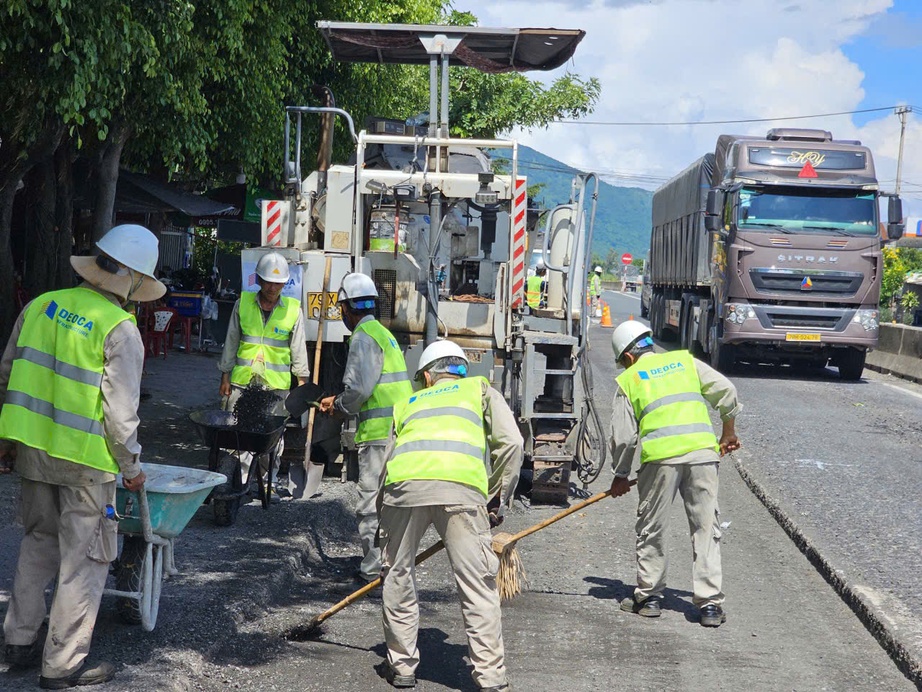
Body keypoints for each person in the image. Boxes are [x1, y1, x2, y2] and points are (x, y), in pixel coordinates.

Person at [0, 224, 164, 688]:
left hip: (33, 452)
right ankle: (63, 665)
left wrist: (8, 441)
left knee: (37, 543)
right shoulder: (120, 329)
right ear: (131, 279)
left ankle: (18, 642)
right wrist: (131, 467)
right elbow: (120, 415)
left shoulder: (40, 306)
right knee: (84, 561)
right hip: (87, 464)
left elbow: (7, 374)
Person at [376, 340, 523, 691]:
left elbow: (385, 464)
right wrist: (495, 498)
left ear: (427, 377)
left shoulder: (406, 403)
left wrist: (383, 513)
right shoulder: (478, 388)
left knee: (397, 574)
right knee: (477, 584)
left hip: (404, 490)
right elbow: (513, 443)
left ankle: (403, 667)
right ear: (459, 369)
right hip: (461, 492)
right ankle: (490, 678)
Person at [608, 320, 741, 627]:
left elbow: (625, 437)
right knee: (706, 528)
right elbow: (728, 391)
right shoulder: (685, 361)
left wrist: (620, 474)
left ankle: (649, 597)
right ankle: (709, 606)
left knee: (652, 527)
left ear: (627, 357)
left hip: (660, 461)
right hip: (703, 456)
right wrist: (728, 434)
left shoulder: (629, 379)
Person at [318, 273, 412, 586]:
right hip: (398, 430)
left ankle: (373, 571)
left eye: (342, 307)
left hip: (378, 434)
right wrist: (339, 400)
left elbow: (358, 391)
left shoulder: (362, 336)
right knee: (391, 502)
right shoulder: (382, 333)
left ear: (347, 307)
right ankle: (391, 564)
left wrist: (339, 407)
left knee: (370, 504)